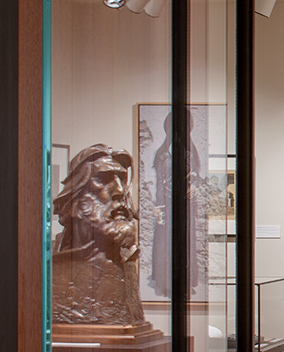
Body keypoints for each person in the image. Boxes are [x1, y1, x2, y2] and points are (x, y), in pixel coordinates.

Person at [51, 143, 146, 326]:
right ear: (77, 199)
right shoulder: (58, 269)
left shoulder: (125, 262)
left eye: (121, 179)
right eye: (103, 179)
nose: (119, 190)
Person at [146, 108, 204, 299]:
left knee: (186, 241)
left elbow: (194, 176)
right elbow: (160, 182)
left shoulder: (191, 152)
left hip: (186, 206)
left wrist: (193, 187)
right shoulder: (164, 154)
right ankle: (166, 282)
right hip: (168, 205)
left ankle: (185, 281)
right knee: (166, 242)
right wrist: (160, 207)